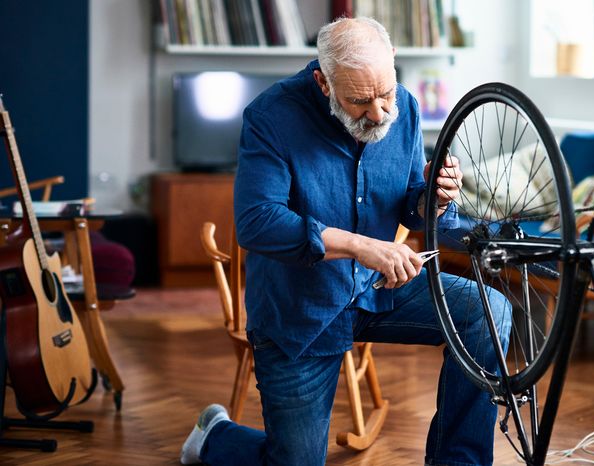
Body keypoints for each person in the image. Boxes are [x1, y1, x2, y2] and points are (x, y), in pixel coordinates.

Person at [179, 17, 512, 466]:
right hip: (300, 310)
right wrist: (359, 246)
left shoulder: (405, 108)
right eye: (359, 101)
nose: (378, 114)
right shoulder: (270, 116)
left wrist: (433, 200)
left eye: (385, 94)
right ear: (323, 81)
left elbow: (410, 207)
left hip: (377, 290)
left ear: (393, 62)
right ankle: (215, 435)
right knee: (293, 461)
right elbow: (257, 222)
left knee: (488, 310)